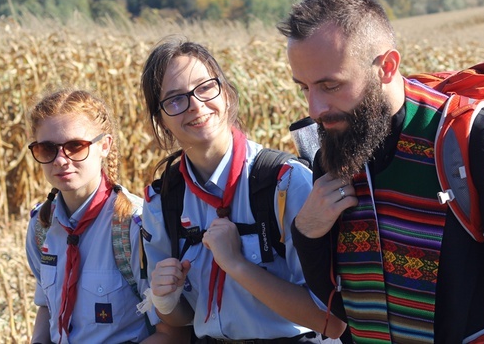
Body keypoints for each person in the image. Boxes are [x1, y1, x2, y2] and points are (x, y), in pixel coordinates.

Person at [276, 0, 484, 343]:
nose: (315, 108)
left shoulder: (473, 141)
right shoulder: (337, 146)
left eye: (330, 85)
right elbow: (341, 307)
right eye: (304, 88)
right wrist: (308, 231)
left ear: (386, 67)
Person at [138, 37, 346, 343]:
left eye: (205, 87)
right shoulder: (163, 202)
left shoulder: (286, 184)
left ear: (226, 92)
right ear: (161, 120)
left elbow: (331, 322)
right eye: (175, 99)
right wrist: (165, 300)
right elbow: (182, 320)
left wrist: (237, 265)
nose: (196, 105)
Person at [25, 88, 188, 344]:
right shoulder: (41, 225)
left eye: (75, 146)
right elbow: (47, 307)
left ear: (105, 145)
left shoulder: (136, 226)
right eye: (47, 149)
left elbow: (172, 333)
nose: (60, 160)